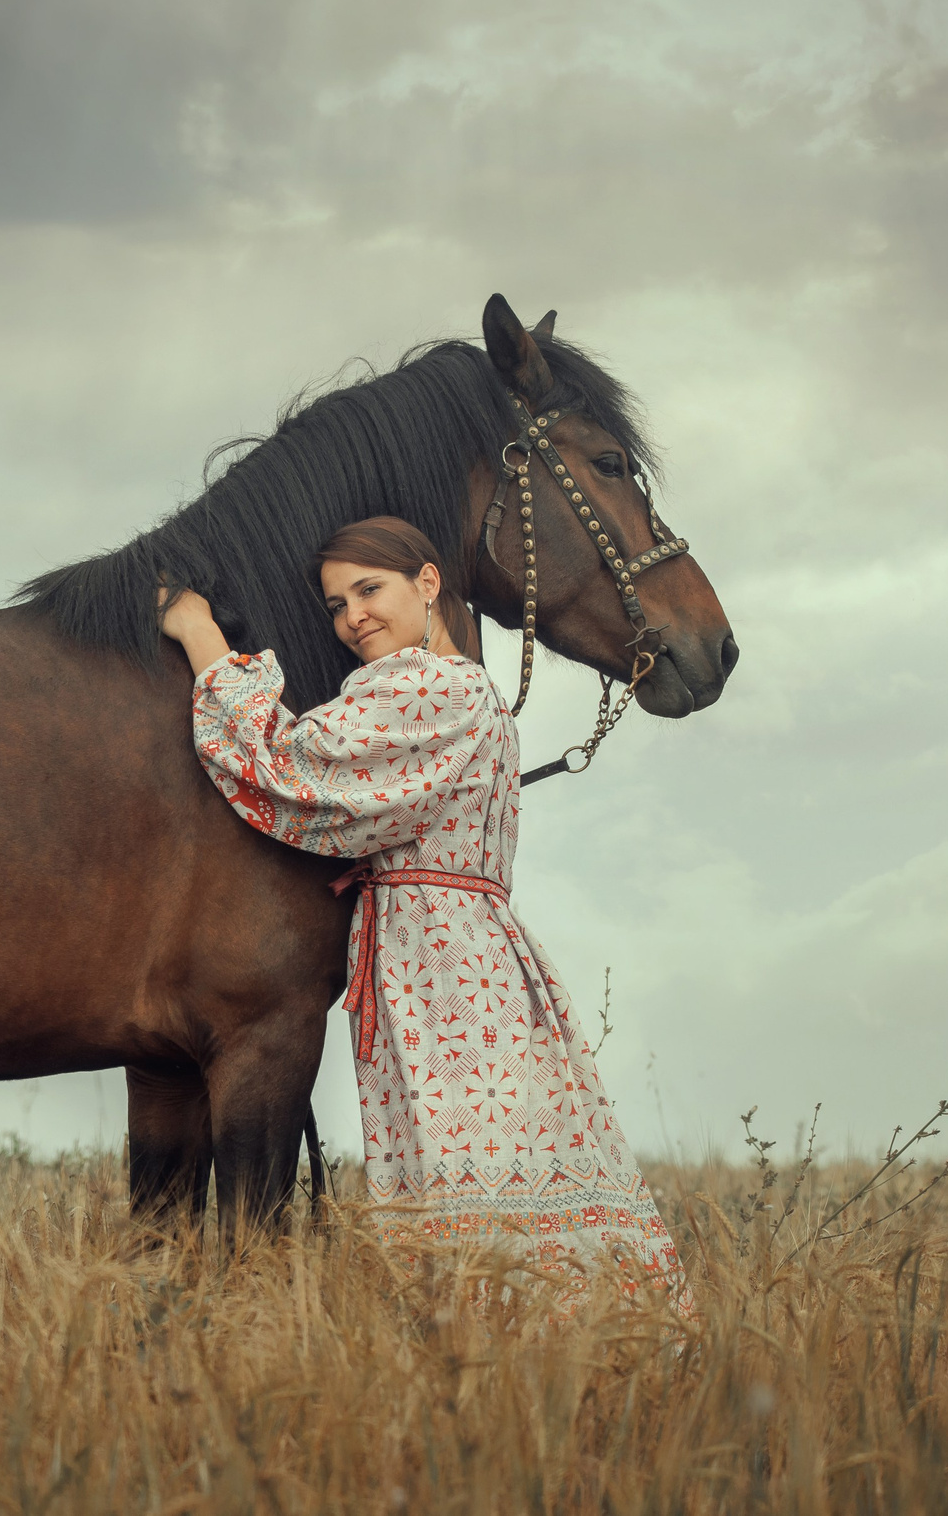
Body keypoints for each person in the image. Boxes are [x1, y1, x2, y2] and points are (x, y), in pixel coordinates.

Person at [159, 516, 692, 1317]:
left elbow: (288, 764)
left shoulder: (434, 689)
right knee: (476, 1185)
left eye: (369, 590)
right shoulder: (459, 690)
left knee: (463, 1179)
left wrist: (197, 631)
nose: (353, 618)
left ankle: (515, 1366)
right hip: (452, 957)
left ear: (430, 582)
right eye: (337, 605)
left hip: (446, 973)